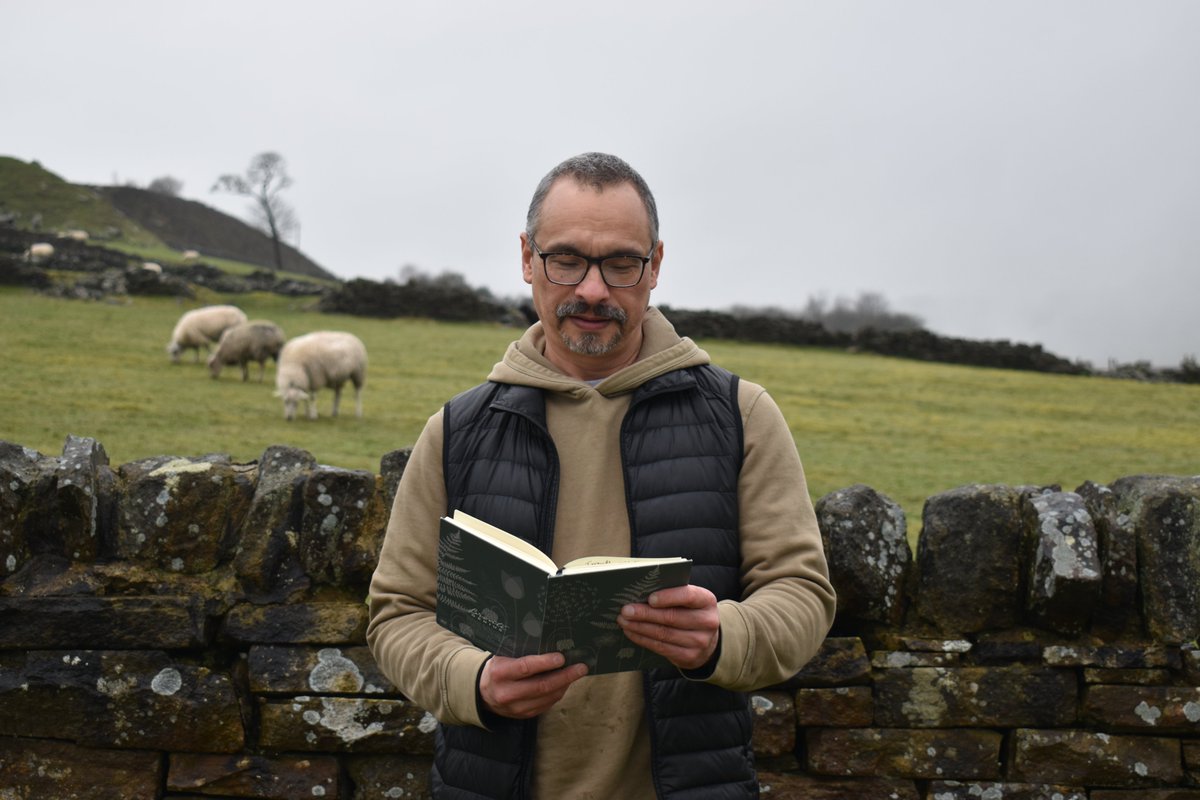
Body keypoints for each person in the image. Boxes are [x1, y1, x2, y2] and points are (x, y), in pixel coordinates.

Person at [367, 152, 836, 799]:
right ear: (527, 259)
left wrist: (723, 637)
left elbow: (802, 593)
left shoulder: (740, 415)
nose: (592, 289)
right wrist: (471, 680)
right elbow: (398, 612)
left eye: (620, 262)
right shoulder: (456, 430)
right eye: (566, 259)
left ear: (656, 266)